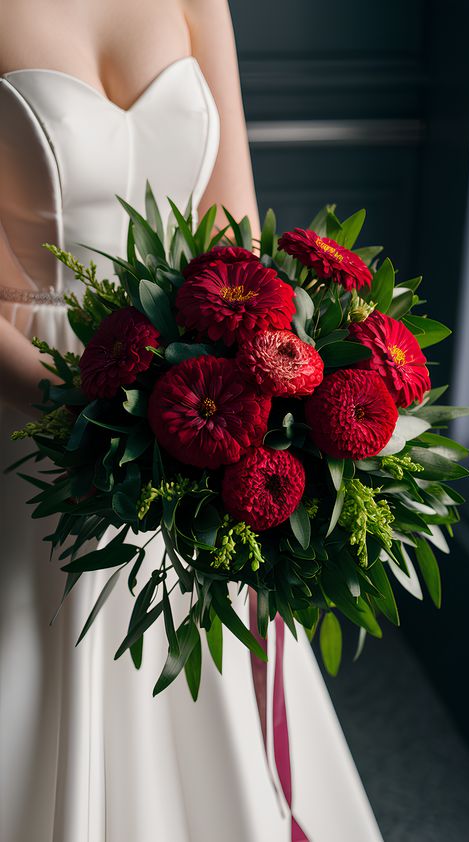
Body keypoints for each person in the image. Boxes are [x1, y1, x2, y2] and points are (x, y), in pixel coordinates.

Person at [0, 1, 384, 839]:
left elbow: (235, 231)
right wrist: (82, 414)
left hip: (191, 393)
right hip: (33, 407)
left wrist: (260, 389)